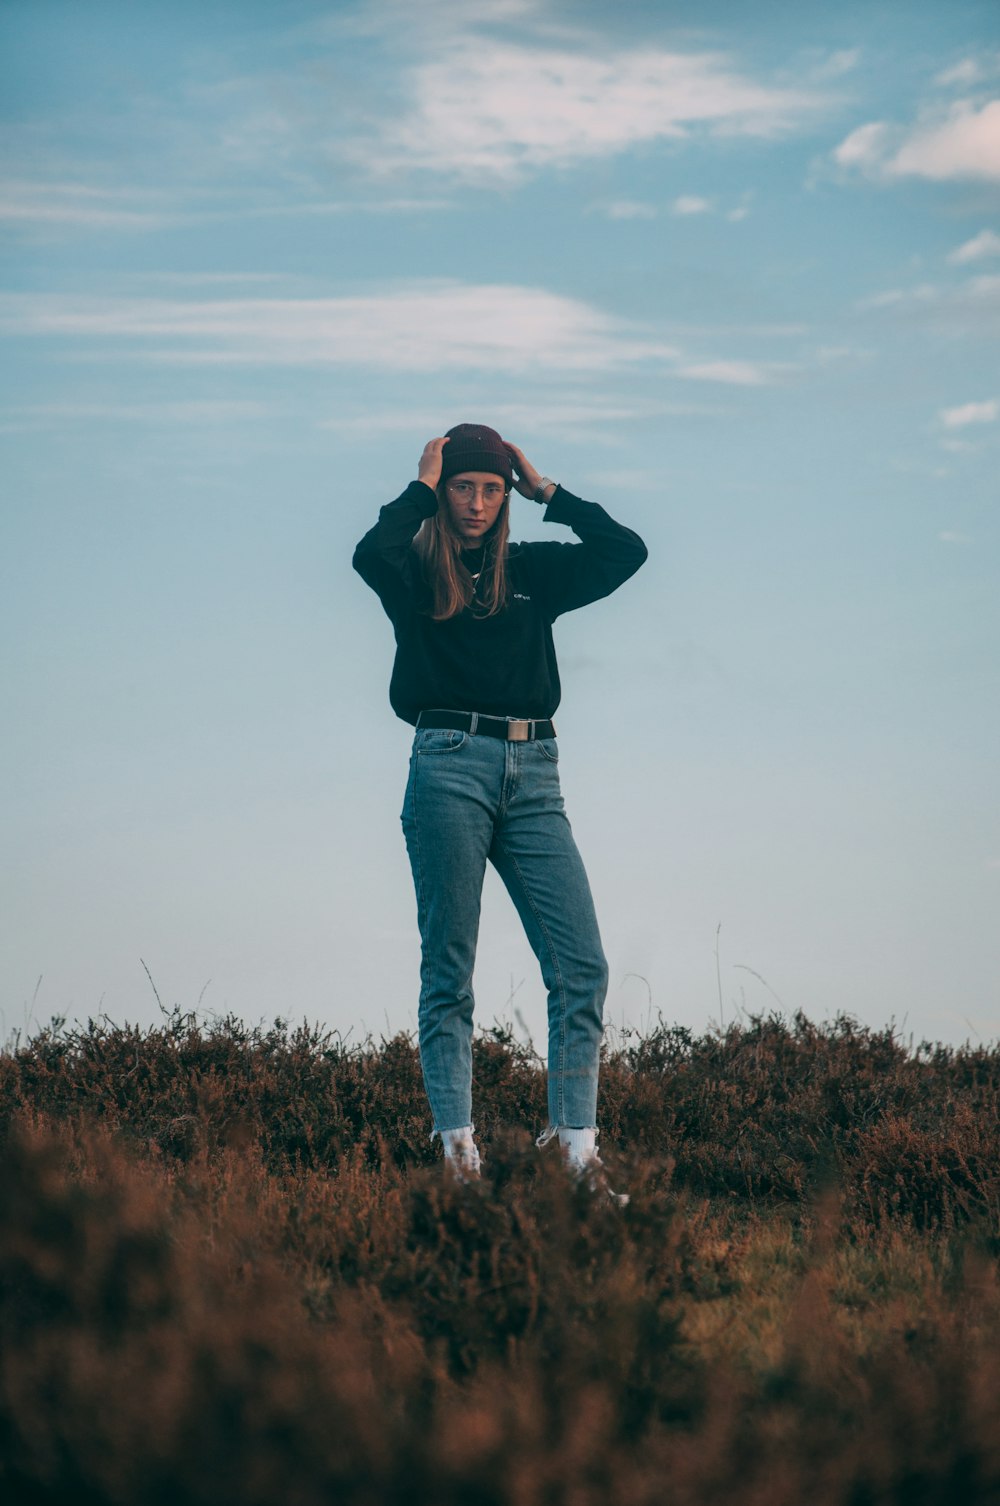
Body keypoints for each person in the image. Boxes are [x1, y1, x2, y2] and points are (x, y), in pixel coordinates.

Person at [353, 423, 647, 1198]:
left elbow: (626, 552)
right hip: (448, 765)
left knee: (581, 966)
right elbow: (367, 554)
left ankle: (576, 1156)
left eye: (491, 488)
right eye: (463, 487)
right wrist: (419, 485)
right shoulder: (414, 574)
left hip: (537, 772)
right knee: (449, 974)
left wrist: (550, 491)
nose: (478, 502)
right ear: (443, 493)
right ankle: (458, 1158)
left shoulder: (532, 572)